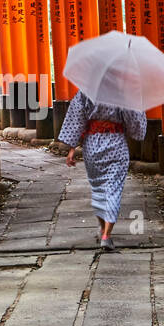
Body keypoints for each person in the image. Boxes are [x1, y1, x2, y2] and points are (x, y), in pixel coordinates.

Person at [58, 90, 147, 249]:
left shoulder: (86, 90)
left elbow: (76, 119)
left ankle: (102, 228)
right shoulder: (121, 90)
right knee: (113, 189)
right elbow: (133, 118)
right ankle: (107, 235)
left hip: (92, 144)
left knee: (98, 189)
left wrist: (72, 149)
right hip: (115, 143)